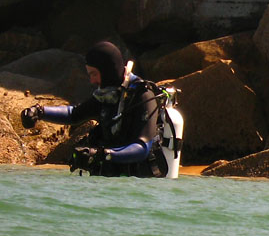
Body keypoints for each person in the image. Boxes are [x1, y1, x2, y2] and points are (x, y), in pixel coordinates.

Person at [20, 41, 163, 177]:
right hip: (113, 178)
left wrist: (101, 154)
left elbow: (142, 148)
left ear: (107, 71)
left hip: (138, 183)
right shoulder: (107, 96)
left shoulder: (143, 96)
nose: (92, 81)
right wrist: (39, 112)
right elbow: (74, 115)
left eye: (94, 74)